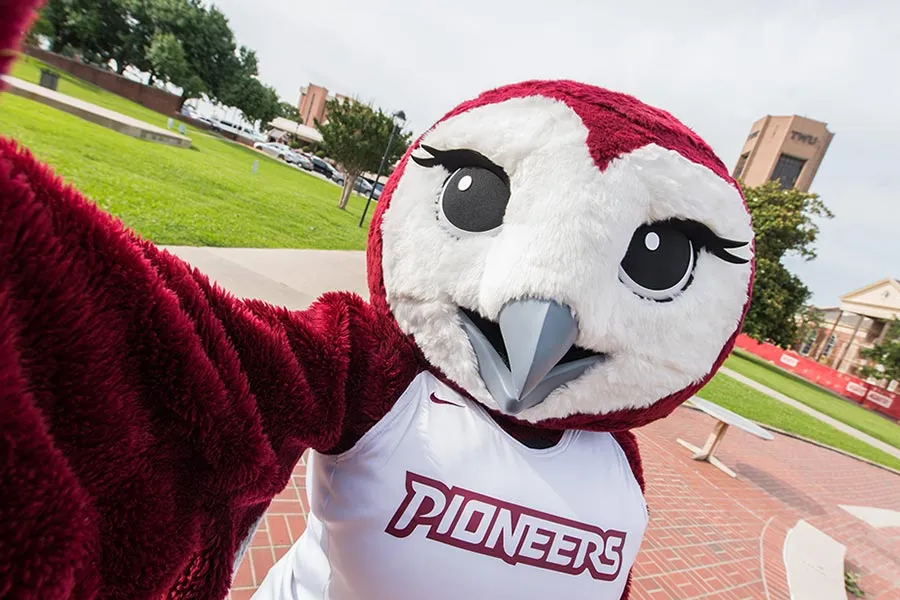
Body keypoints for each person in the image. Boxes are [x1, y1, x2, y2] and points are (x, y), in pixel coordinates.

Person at [0, 3, 754, 599]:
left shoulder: (617, 464)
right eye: (473, 194)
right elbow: (157, 351)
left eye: (663, 260)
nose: (539, 320)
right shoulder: (375, 374)